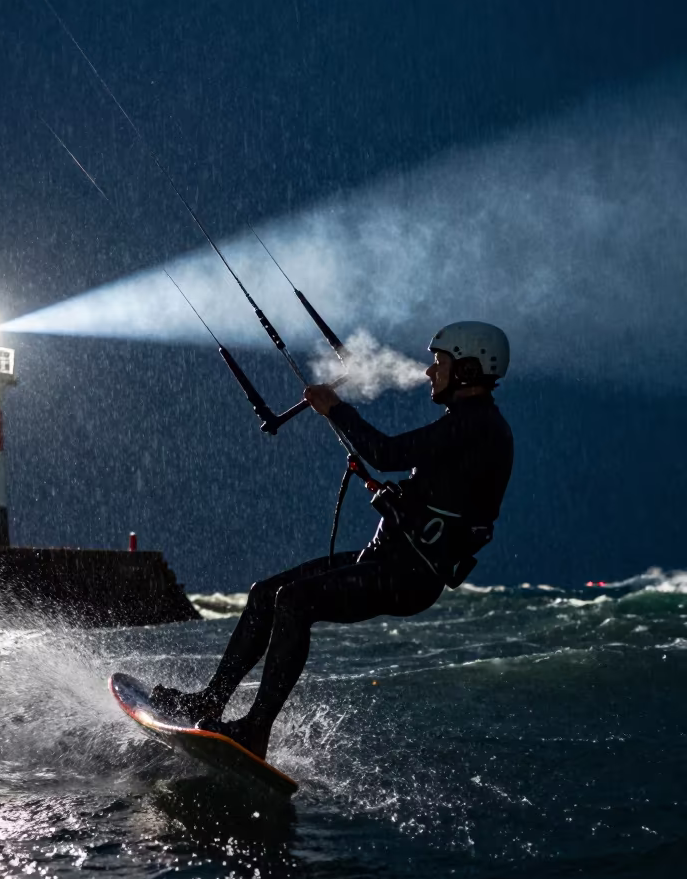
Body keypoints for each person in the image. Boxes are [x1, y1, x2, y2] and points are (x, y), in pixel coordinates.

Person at [152, 321, 514, 759]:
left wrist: (336, 409)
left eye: (440, 363)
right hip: (383, 558)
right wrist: (392, 495)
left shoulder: (479, 425)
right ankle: (210, 702)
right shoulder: (467, 424)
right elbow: (440, 493)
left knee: (294, 601)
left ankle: (254, 730)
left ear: (469, 370)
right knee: (265, 594)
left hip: (409, 575)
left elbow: (387, 454)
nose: (429, 372)